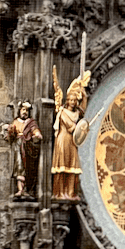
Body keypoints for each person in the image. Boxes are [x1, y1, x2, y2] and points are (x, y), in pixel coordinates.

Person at [52, 67, 91, 201]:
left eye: (75, 100)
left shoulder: (76, 113)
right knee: (62, 166)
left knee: (73, 167)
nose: (73, 102)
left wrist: (83, 94)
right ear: (67, 100)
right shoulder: (62, 113)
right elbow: (72, 126)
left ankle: (71, 192)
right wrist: (81, 128)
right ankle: (60, 192)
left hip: (73, 142)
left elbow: (83, 110)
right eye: (71, 100)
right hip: (63, 140)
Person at [3, 100, 42, 199]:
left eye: (27, 111)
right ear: (20, 111)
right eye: (23, 110)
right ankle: (20, 189)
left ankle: (27, 190)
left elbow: (35, 130)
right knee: (19, 167)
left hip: (27, 148)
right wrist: (9, 130)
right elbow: (11, 134)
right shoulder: (16, 122)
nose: (25, 112)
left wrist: (37, 134)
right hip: (18, 147)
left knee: (28, 168)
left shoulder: (31, 122)